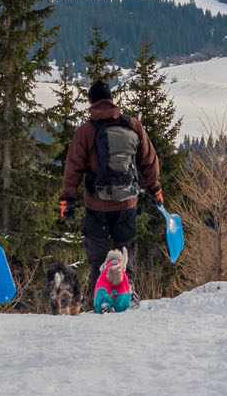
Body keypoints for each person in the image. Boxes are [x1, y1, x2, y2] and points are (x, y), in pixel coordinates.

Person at [59, 79, 162, 308]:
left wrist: (68, 200)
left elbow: (73, 168)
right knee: (126, 251)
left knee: (97, 259)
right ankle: (128, 294)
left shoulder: (86, 131)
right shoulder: (132, 125)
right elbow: (149, 160)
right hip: (127, 203)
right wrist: (155, 188)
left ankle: (99, 299)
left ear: (92, 101)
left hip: (97, 205)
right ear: (111, 99)